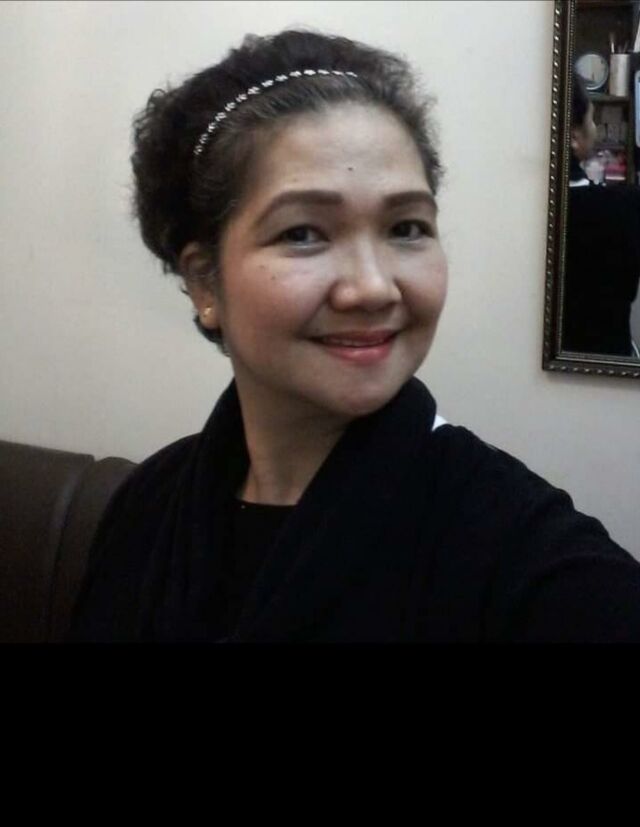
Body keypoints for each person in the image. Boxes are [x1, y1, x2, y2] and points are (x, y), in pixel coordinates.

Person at [69, 30, 640, 643]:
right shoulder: (148, 508)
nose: (373, 287)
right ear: (205, 281)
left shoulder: (527, 560)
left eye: (406, 227)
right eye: (302, 233)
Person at [562, 70, 640, 356]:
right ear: (574, 136)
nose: (594, 128)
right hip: (607, 360)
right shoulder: (625, 207)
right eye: (591, 119)